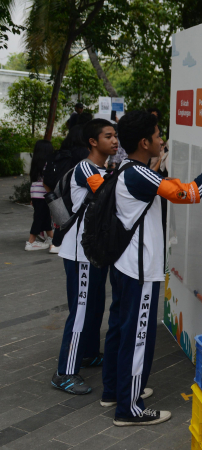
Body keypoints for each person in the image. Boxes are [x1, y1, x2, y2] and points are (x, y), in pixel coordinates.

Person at [103, 110, 202, 425]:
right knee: (137, 338)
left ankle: (114, 392)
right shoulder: (140, 173)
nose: (163, 140)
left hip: (123, 265)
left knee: (121, 331)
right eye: (159, 135)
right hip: (140, 271)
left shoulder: (126, 168)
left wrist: (157, 167)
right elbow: (189, 193)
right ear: (144, 142)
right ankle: (128, 409)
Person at [51, 119, 120, 395]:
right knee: (80, 311)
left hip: (94, 252)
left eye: (115, 136)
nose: (114, 141)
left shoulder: (102, 168)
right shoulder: (86, 169)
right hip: (80, 254)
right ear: (93, 142)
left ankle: (89, 353)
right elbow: (109, 194)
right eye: (108, 136)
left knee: (93, 307)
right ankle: (64, 372)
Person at [46, 117, 94, 253]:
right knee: (74, 217)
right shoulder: (84, 154)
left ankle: (56, 243)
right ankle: (63, 244)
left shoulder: (61, 151)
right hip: (74, 189)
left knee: (62, 217)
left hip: (59, 189)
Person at [25, 140, 54, 251]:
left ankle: (52, 239)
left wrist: (32, 197)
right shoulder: (47, 163)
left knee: (45, 217)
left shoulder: (36, 164)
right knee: (39, 218)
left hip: (35, 194)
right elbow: (46, 181)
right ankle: (30, 242)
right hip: (43, 194)